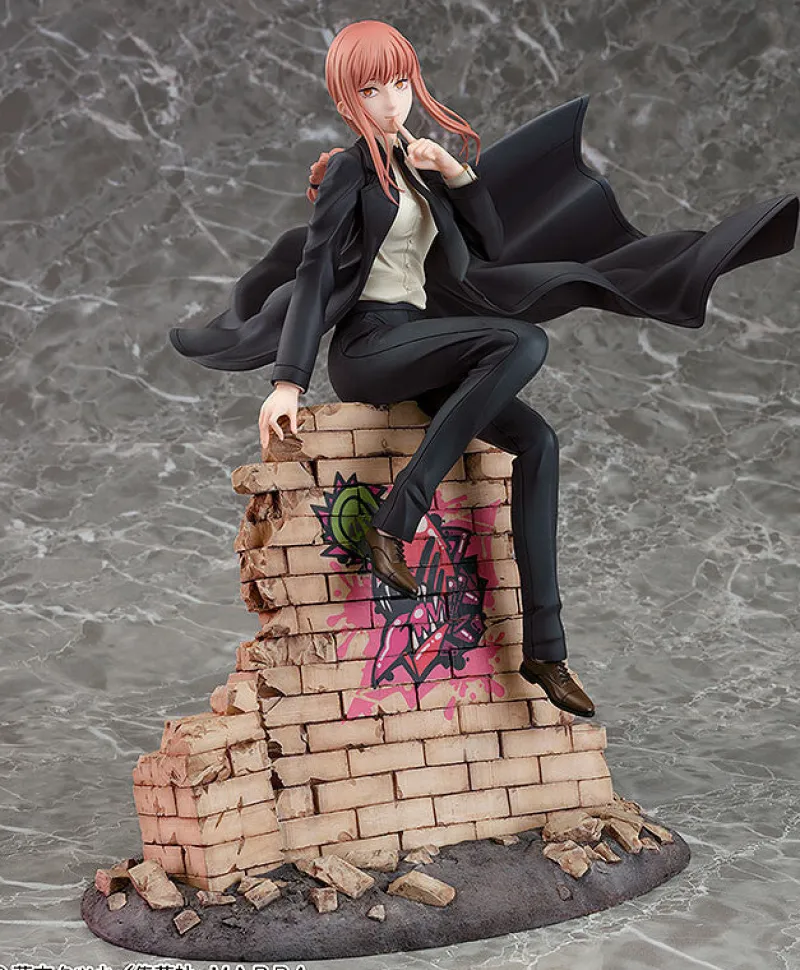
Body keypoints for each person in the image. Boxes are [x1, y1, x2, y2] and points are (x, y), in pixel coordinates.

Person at [169, 20, 798, 719]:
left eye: (400, 83)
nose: (391, 101)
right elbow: (316, 271)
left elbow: (489, 247)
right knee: (522, 341)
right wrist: (288, 381)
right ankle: (396, 520)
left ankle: (546, 650)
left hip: (425, 340)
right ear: (347, 99)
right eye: (371, 90)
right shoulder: (352, 170)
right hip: (370, 348)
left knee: (539, 441)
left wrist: (456, 174)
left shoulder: (418, 167)